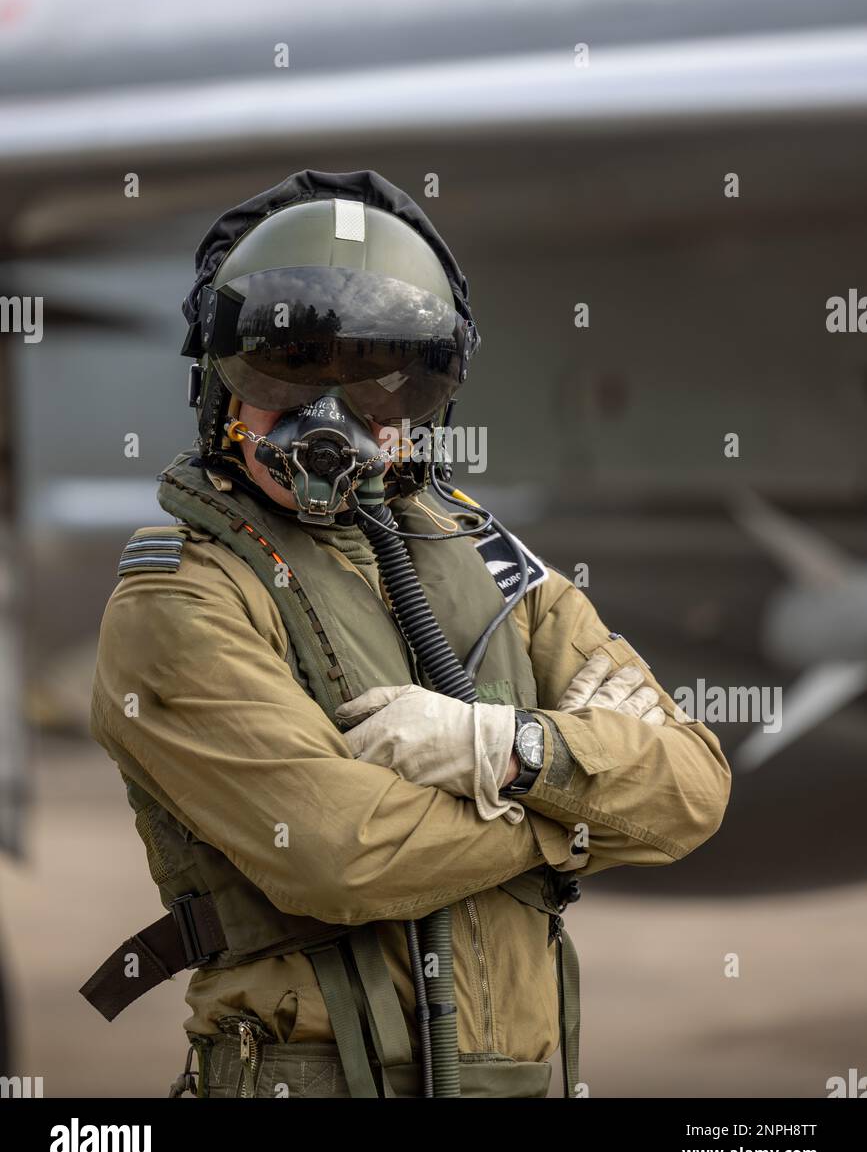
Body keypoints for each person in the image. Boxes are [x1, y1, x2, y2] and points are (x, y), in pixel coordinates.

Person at [81, 168, 731, 1099]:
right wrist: (573, 822)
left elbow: (693, 786)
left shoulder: (490, 565)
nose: (331, 418)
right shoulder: (183, 599)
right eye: (289, 369)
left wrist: (502, 747)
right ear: (220, 386)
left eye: (382, 385)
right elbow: (337, 854)